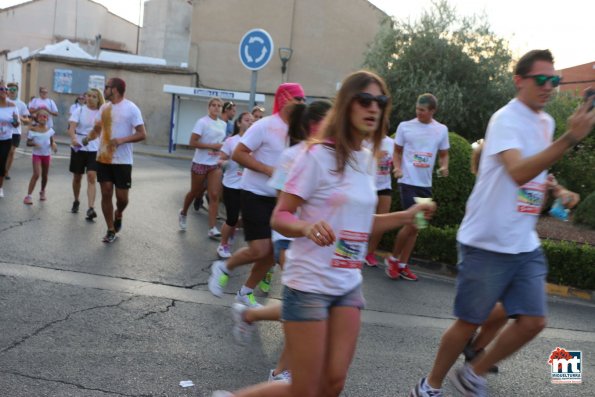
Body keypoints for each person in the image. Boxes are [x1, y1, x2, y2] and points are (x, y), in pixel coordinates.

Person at [212, 70, 436, 397]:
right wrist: (306, 226)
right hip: (309, 284)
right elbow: (281, 216)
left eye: (380, 101)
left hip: (347, 286)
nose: (373, 107)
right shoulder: (314, 156)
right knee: (303, 387)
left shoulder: (366, 160)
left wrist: (406, 215)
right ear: (346, 106)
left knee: (333, 384)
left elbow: (361, 223)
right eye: (365, 100)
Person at [409, 49, 594, 397]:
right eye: (542, 80)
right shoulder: (505, 119)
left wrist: (557, 189)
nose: (549, 87)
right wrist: (570, 138)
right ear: (519, 80)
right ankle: (429, 385)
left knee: (534, 321)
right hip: (486, 241)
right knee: (468, 323)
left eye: (554, 80)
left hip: (523, 242)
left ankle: (472, 373)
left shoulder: (546, 123)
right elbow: (519, 171)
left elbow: (534, 172)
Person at [230, 100, 332, 384]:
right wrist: (304, 223)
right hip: (292, 239)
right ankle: (280, 373)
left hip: (320, 244)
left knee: (305, 304)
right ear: (314, 125)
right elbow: (282, 205)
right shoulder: (293, 156)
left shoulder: (336, 156)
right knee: (306, 303)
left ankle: (251, 314)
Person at [208, 83, 306, 308]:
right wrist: (268, 170)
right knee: (260, 249)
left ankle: (245, 292)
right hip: (255, 194)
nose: (302, 103)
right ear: (284, 99)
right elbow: (239, 154)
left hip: (283, 200)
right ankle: (223, 267)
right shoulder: (265, 125)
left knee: (273, 252)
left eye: (303, 100)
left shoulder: (300, 131)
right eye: (297, 99)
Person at [385, 93, 449, 281]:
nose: (418, 112)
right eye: (417, 109)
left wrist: (444, 166)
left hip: (425, 184)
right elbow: (397, 152)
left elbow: (444, 154)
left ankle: (403, 265)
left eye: (422, 110)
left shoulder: (441, 130)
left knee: (417, 226)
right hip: (407, 181)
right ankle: (393, 259)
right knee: (412, 222)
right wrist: (397, 168)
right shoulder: (405, 127)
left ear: (432, 111)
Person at [82, 78, 147, 243]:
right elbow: (97, 129)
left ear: (115, 90)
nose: (104, 90)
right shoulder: (104, 107)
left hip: (123, 161)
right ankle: (110, 229)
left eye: (107, 87)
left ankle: (119, 213)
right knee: (106, 192)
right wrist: (88, 138)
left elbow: (142, 134)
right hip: (103, 158)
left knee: (122, 199)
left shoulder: (131, 109)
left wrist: (120, 140)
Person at [178, 97, 226, 237]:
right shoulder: (202, 122)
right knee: (194, 192)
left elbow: (221, 143)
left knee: (214, 195)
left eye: (219, 106)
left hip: (214, 164)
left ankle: (212, 228)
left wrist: (222, 151)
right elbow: (192, 142)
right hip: (200, 162)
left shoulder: (222, 124)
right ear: (209, 107)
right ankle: (183, 213)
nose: (216, 108)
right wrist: (212, 146)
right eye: (214, 105)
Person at [216, 111, 254, 258]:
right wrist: (228, 162)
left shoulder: (256, 142)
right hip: (231, 185)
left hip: (248, 186)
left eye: (252, 121)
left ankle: (230, 231)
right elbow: (219, 160)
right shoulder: (232, 141)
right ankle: (223, 244)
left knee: (247, 218)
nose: (250, 122)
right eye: (247, 120)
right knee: (231, 218)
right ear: (239, 123)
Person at [67, 88, 104, 220]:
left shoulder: (101, 112)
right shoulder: (79, 110)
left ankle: (91, 208)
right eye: (88, 95)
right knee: (77, 177)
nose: (90, 98)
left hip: (94, 147)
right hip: (79, 146)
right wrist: (74, 139)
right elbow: (71, 129)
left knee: (91, 176)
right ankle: (76, 200)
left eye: (94, 96)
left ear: (98, 98)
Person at [363, 129, 395, 266]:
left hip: (384, 185)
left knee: (383, 218)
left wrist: (397, 167)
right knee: (363, 219)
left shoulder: (391, 143)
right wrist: (375, 155)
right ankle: (356, 249)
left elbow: (396, 160)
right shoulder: (365, 140)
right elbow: (357, 159)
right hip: (367, 185)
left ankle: (370, 253)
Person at [23, 109, 57, 204]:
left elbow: (51, 141)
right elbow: (28, 143)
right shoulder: (33, 130)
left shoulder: (50, 130)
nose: (43, 118)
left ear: (47, 119)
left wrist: (54, 145)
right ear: (37, 118)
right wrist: (33, 143)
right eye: (40, 116)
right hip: (37, 155)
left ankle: (42, 191)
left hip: (46, 155)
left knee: (45, 175)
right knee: (36, 174)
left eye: (45, 117)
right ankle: (28, 196)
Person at [4, 82, 30, 181]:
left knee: (11, 152)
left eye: (14, 90)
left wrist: (21, 118)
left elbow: (27, 121)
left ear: (17, 91)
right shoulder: (3, 101)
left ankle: (6, 171)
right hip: (4, 130)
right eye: (10, 90)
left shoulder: (22, 104)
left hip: (15, 131)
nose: (12, 92)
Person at [0, 82, 21, 198]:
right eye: (1, 88)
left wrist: (14, 120)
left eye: (5, 89)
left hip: (6, 139)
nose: (3, 90)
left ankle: (0, 188)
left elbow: (16, 124)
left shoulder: (13, 106)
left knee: (2, 163)